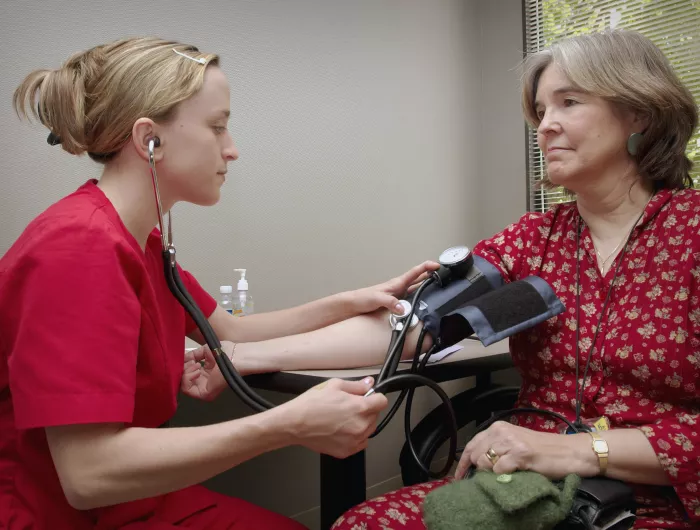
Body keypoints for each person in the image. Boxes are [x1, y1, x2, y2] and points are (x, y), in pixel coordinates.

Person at [0, 37, 441, 529]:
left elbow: (231, 331)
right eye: (216, 127)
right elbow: (87, 475)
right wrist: (287, 424)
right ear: (151, 140)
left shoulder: (135, 241)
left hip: (137, 501)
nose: (232, 150)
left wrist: (351, 299)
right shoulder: (78, 247)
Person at [333, 29, 700, 530]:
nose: (545, 126)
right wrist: (240, 355)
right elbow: (417, 326)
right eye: (541, 111)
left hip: (656, 500)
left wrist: (578, 451)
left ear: (639, 112)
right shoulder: (535, 238)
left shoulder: (692, 232)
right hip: (519, 489)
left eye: (568, 102)